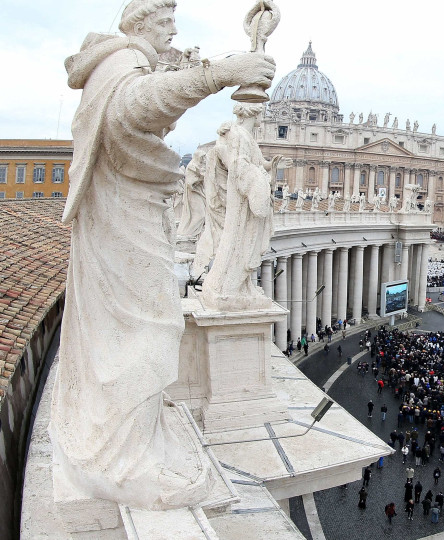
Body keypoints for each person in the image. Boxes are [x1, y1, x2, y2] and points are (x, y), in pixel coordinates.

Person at [51, 0, 275, 510]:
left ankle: (133, 440)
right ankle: (126, 460)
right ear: (141, 25)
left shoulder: (125, 63)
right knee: (152, 331)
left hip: (127, 219)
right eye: (168, 26)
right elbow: (138, 109)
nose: (174, 36)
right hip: (122, 225)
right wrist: (220, 74)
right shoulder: (122, 65)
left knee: (146, 331)